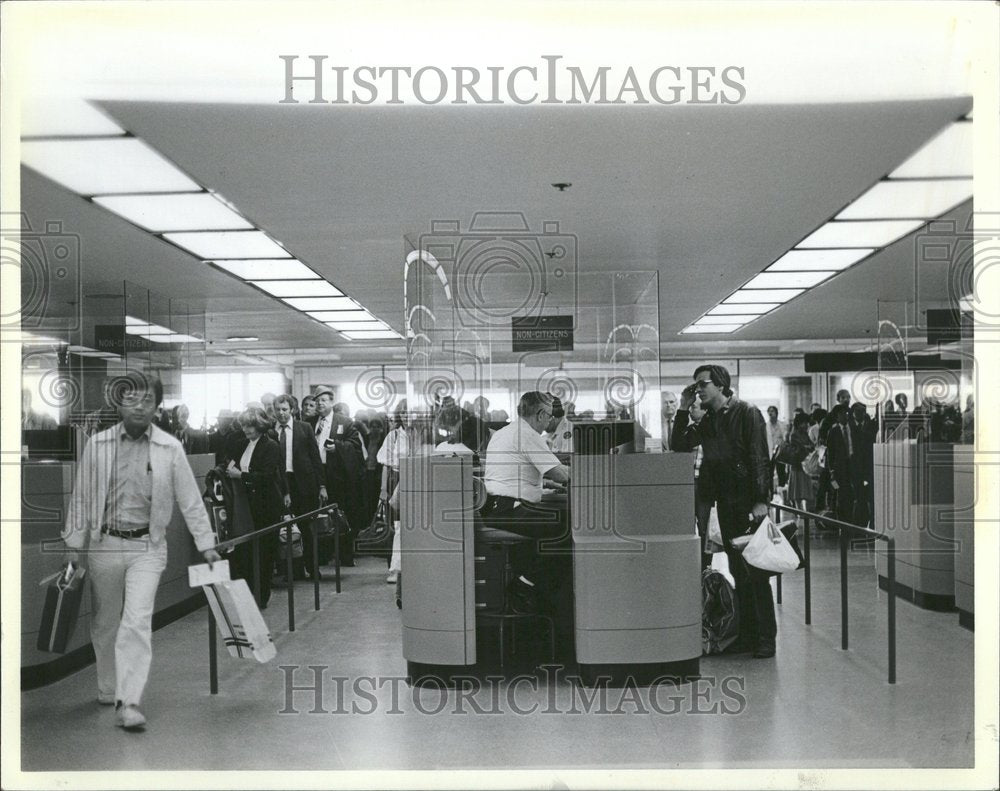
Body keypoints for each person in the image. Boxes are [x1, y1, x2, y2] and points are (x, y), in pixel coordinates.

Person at [61, 372, 221, 731]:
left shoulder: (170, 448)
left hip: (148, 547)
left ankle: (128, 700)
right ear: (118, 403)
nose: (139, 406)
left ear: (157, 406)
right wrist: (74, 544)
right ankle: (107, 686)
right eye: (131, 398)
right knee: (105, 621)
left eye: (147, 400)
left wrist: (207, 544)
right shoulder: (98, 445)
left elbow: (190, 500)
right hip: (104, 545)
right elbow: (82, 497)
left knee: (136, 621)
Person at [671, 364, 776, 658]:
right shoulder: (710, 420)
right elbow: (679, 445)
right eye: (696, 386)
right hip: (724, 503)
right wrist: (682, 407)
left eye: (703, 384)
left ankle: (766, 637)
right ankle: (748, 635)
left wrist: (760, 499)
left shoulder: (746, 413)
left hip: (746, 503)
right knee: (737, 570)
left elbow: (759, 458)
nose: (698, 390)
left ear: (720, 384)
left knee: (756, 572)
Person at [481, 391, 571, 627]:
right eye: (549, 416)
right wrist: (585, 471)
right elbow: (560, 474)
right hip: (510, 510)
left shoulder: (504, 432)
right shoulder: (528, 434)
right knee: (571, 527)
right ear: (540, 414)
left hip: (496, 508)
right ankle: (525, 585)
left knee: (553, 527)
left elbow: (519, 472)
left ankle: (531, 587)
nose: (550, 421)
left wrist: (546, 482)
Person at [225, 406, 287, 606]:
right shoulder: (241, 444)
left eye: (250, 426)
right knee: (246, 552)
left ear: (260, 426)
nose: (246, 430)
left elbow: (268, 477)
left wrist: (240, 476)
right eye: (243, 425)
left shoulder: (271, 446)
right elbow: (231, 462)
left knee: (265, 553)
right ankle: (249, 592)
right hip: (245, 507)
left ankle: (261, 596)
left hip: (266, 506)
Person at [272, 394, 327, 579]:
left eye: (285, 409)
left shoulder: (305, 428)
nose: (281, 413)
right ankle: (290, 570)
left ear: (293, 410)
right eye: (278, 410)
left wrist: (322, 485)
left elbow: (315, 458)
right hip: (280, 482)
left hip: (303, 483)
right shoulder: (271, 431)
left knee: (306, 528)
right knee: (284, 529)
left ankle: (312, 568)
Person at [315, 390, 365, 566]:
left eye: (323, 400)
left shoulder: (344, 422)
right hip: (316, 473)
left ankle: (344, 555)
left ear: (331, 402)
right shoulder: (309, 423)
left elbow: (355, 446)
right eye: (317, 401)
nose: (320, 403)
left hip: (337, 476)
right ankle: (322, 555)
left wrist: (337, 447)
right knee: (319, 516)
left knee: (340, 516)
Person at [378, 400, 408, 584]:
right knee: (397, 527)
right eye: (404, 413)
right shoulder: (394, 435)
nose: (407, 417)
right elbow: (386, 465)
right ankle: (395, 568)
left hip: (417, 479)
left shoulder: (424, 435)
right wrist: (383, 489)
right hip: (396, 480)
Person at [784, 412, 815, 516]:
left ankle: (803, 511)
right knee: (797, 491)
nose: (806, 425)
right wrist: (806, 447)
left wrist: (807, 447)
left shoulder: (804, 434)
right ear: (798, 423)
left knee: (804, 489)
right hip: (797, 465)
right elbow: (800, 447)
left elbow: (811, 445)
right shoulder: (794, 434)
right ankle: (799, 511)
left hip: (805, 465)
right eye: (804, 423)